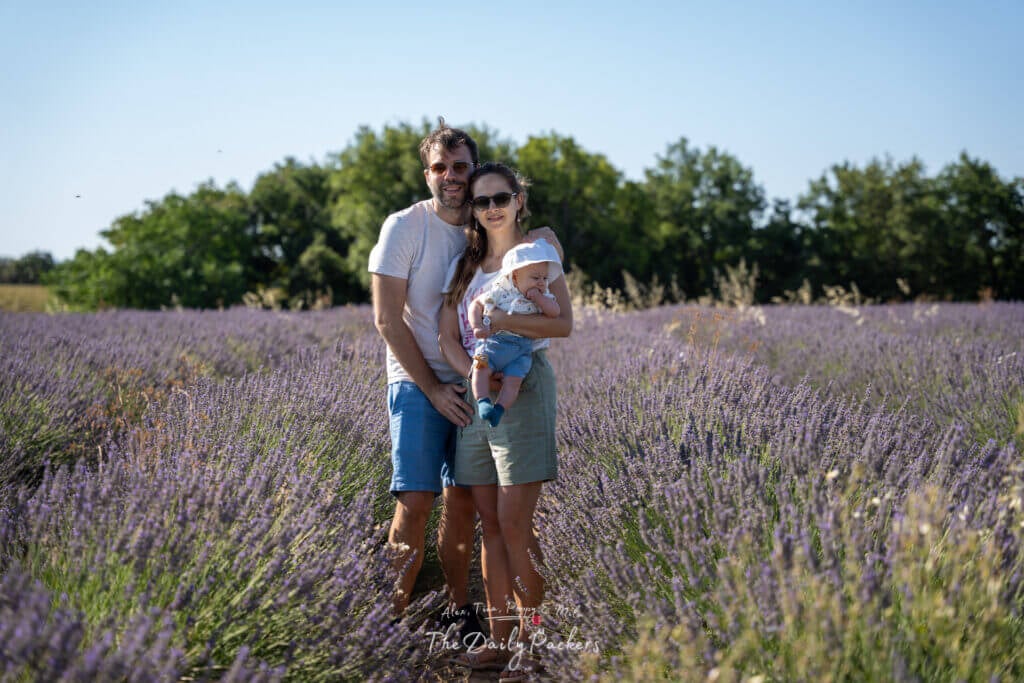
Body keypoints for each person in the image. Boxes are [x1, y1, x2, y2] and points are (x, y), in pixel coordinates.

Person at [367, 120, 559, 638]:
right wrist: (435, 385)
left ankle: (466, 613)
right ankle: (388, 626)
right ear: (426, 173)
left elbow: (550, 312)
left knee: (472, 507)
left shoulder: (485, 235)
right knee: (416, 501)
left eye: (460, 167)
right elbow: (387, 319)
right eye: (439, 167)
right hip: (418, 379)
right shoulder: (405, 227)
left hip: (483, 382)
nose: (451, 177)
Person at [439, 162, 573, 678]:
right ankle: (500, 639)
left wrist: (498, 323)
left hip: (524, 389)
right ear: (471, 209)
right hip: (479, 394)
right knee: (490, 526)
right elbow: (448, 337)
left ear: (520, 199)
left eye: (502, 197)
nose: (492, 207)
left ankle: (534, 642)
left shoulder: (539, 245)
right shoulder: (467, 262)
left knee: (517, 526)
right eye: (481, 200)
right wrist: (473, 370)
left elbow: (560, 324)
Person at [467, 240, 562, 427]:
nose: (541, 282)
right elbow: (475, 305)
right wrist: (477, 326)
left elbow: (555, 312)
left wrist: (539, 298)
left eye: (544, 278)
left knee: (513, 382)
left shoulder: (543, 297)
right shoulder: (501, 291)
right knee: (480, 369)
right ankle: (483, 402)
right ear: (515, 277)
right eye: (535, 278)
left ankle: (499, 409)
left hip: (521, 350)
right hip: (492, 343)